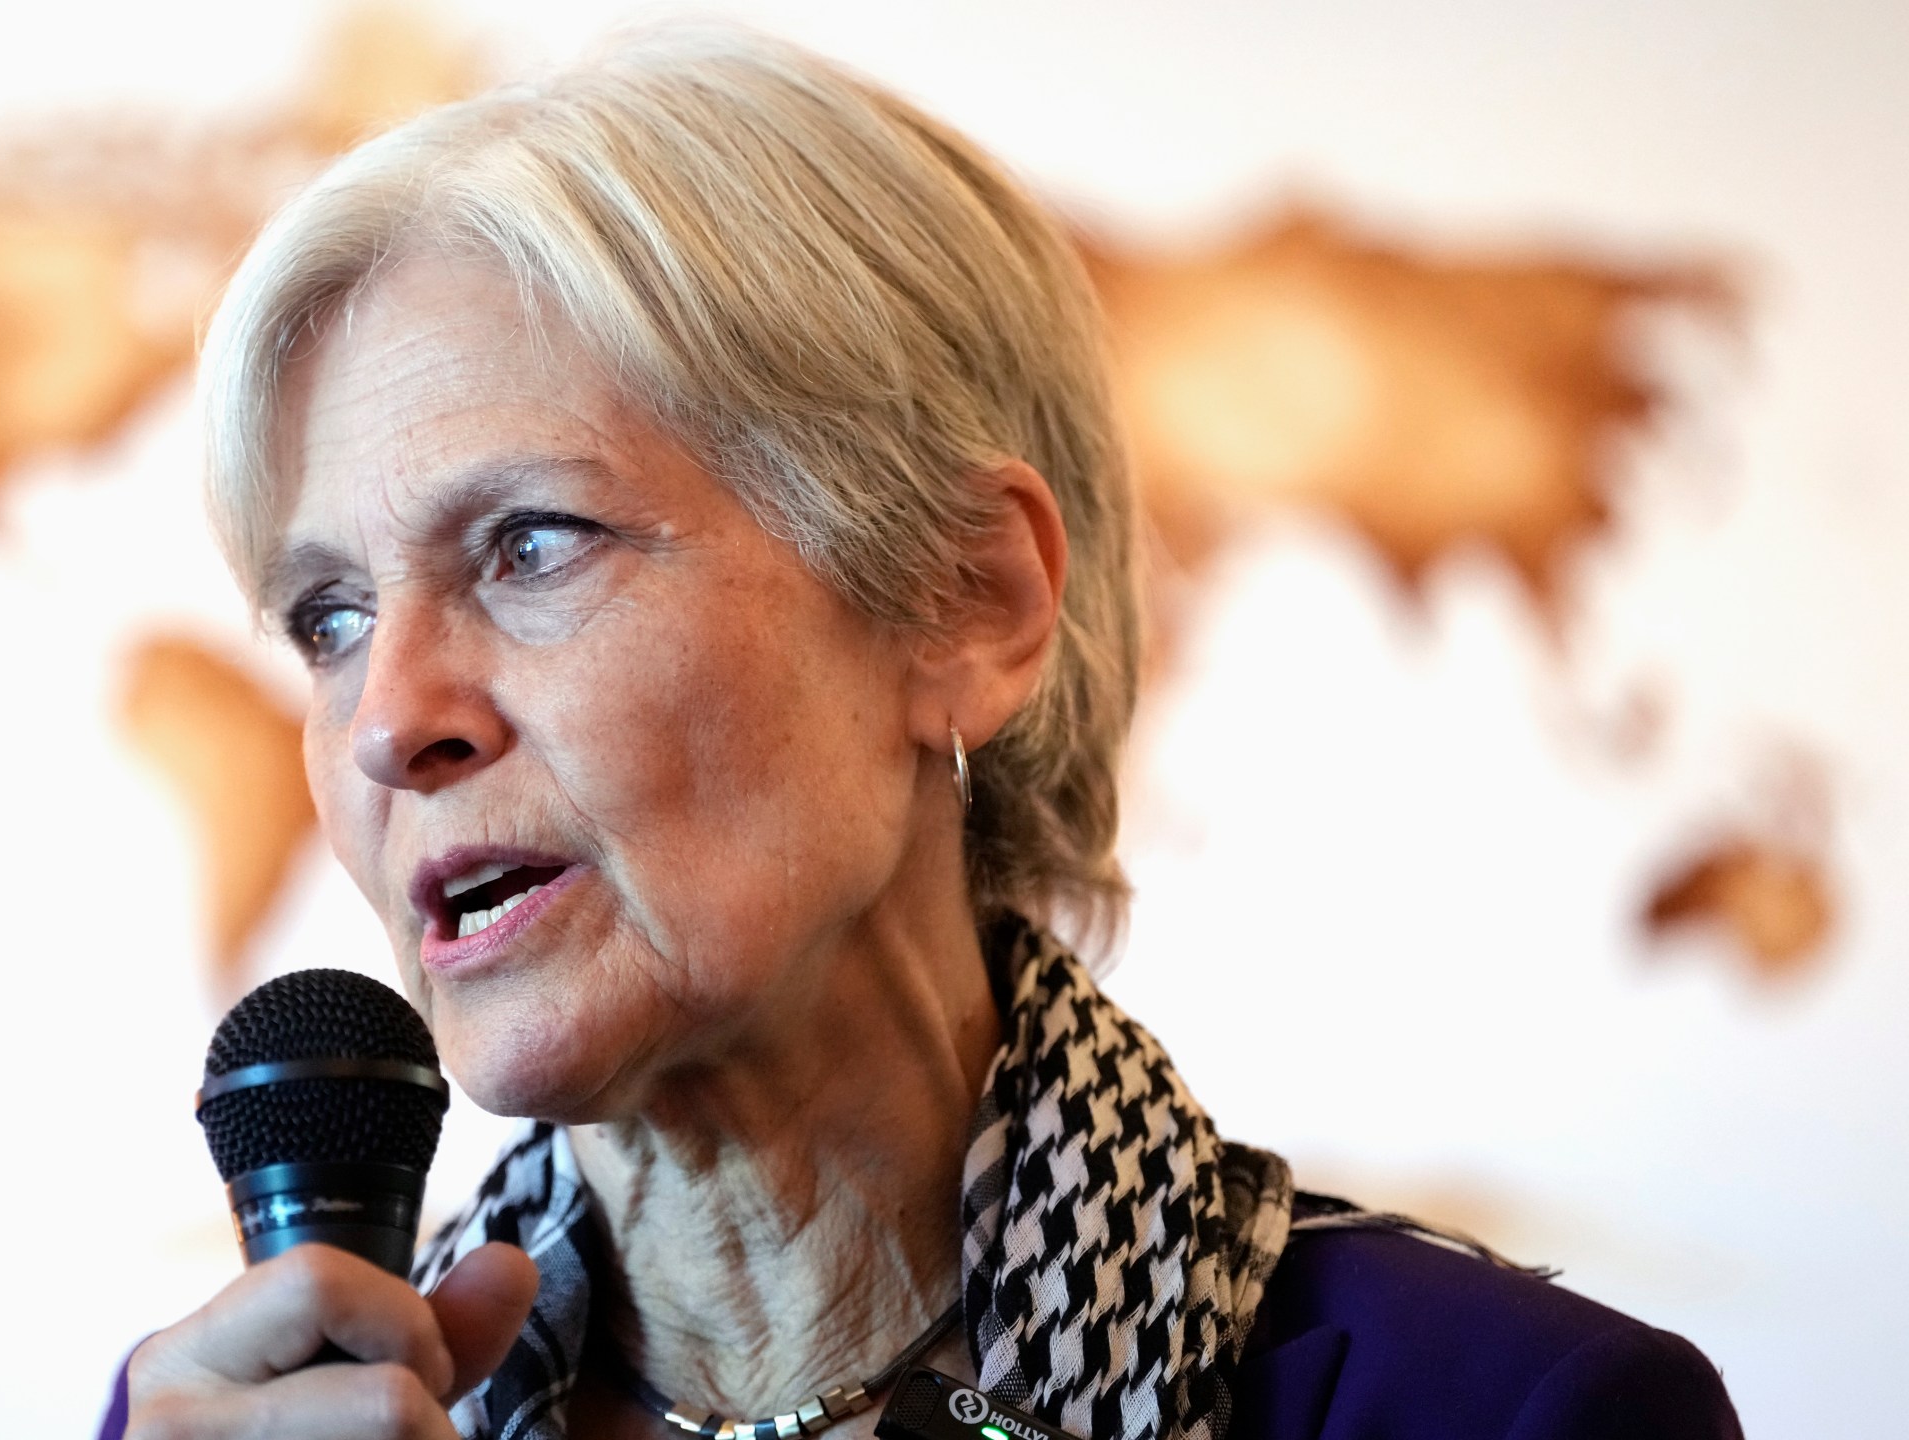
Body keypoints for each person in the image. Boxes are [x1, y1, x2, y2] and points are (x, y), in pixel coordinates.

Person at [103, 27, 1742, 1440]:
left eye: (531, 543)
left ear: (967, 606)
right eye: (327, 618)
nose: (390, 718)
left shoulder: (1499, 1415)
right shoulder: (250, 1416)